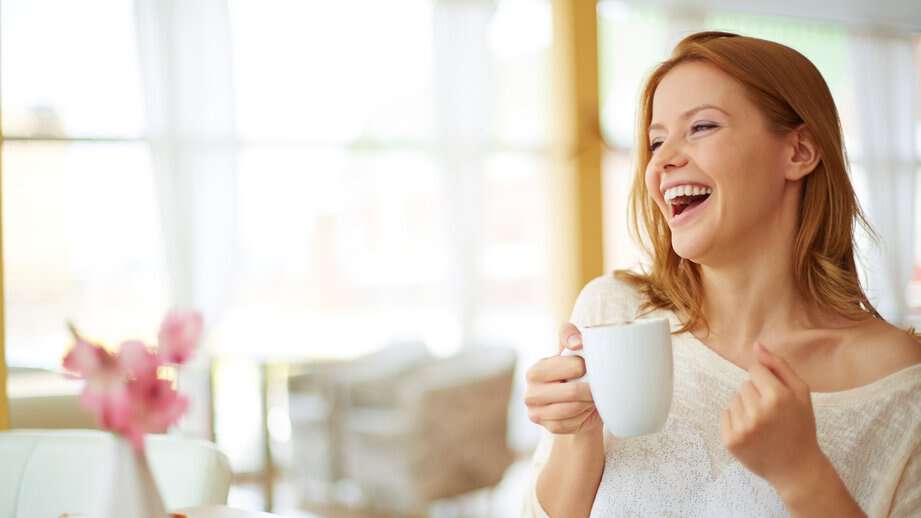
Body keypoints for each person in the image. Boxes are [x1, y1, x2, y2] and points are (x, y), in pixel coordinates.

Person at [522, 31, 921, 517]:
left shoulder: (901, 383)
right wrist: (577, 435)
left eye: (703, 127)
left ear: (798, 153)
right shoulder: (615, 313)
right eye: (655, 140)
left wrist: (802, 474)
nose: (662, 161)